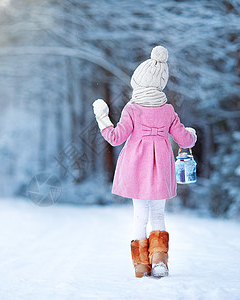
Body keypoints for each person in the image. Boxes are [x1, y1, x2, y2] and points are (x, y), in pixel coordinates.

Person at [92, 46, 197, 278]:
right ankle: (159, 261)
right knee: (158, 215)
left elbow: (115, 137)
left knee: (140, 216)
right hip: (161, 169)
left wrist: (102, 118)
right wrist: (192, 134)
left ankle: (141, 265)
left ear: (138, 82)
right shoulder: (168, 110)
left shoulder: (132, 109)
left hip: (136, 168)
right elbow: (184, 139)